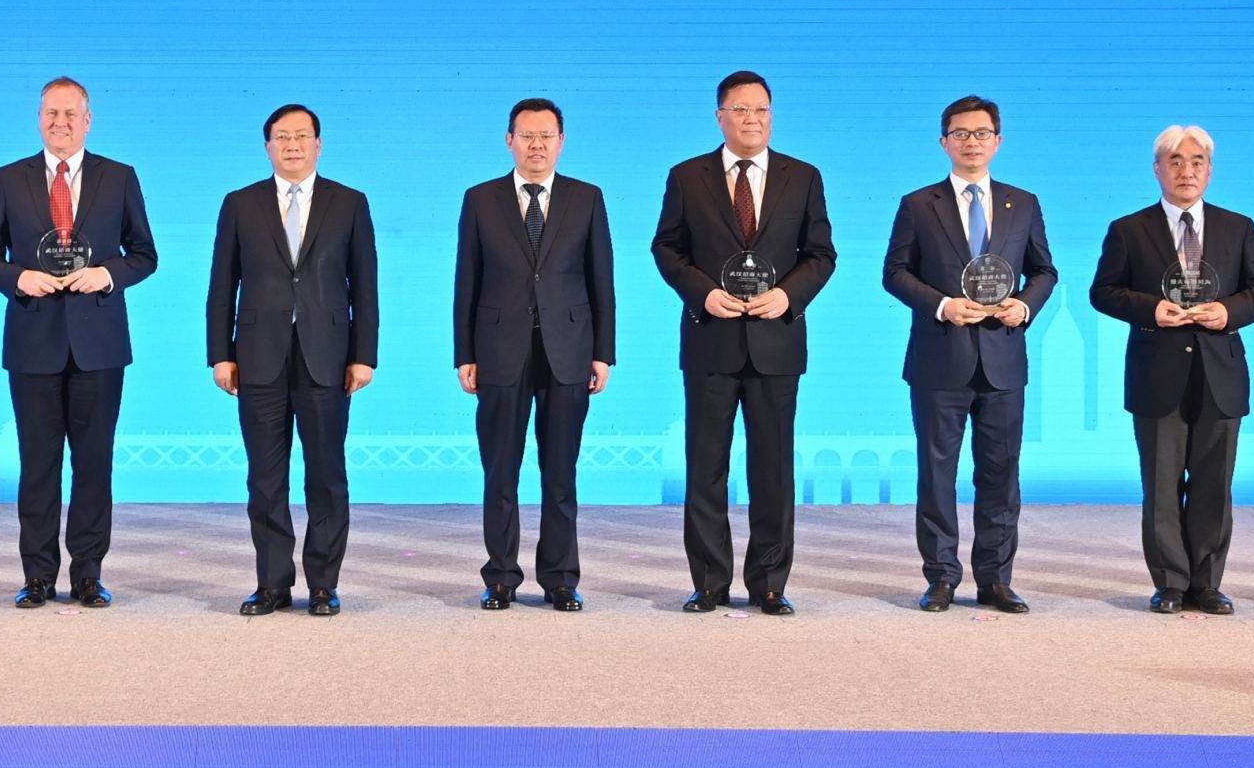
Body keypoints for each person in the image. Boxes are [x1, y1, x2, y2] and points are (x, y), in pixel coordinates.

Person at [650, 70, 836, 615]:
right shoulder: (688, 176)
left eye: (761, 109)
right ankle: (709, 582)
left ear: (771, 116)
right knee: (705, 466)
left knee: (772, 470)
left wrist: (788, 296)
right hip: (711, 340)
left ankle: (770, 584)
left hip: (776, 341)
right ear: (720, 116)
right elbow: (667, 249)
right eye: (740, 109)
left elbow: (821, 254)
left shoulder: (803, 176)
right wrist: (703, 294)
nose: (752, 118)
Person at [0, 77, 158, 610]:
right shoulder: (8, 178)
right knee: (38, 465)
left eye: (71, 113)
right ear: (39, 119)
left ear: (88, 120)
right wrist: (18, 278)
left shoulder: (119, 177)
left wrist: (107, 274)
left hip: (99, 344)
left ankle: (88, 575)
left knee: (94, 465)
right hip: (33, 340)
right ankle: (37, 576)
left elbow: (145, 254)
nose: (61, 122)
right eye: (52, 113)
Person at [1088, 125, 1254, 615]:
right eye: (1175, 161)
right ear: (1157, 169)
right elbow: (1103, 292)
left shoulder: (1238, 226)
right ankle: (1170, 582)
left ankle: (1207, 583)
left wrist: (1228, 312)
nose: (1186, 171)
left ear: (1209, 170)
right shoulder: (1129, 229)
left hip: (1221, 372)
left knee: (1215, 483)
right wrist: (1151, 309)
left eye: (1196, 162)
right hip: (1157, 371)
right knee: (1162, 483)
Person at [879, 95, 1056, 615]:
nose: (971, 142)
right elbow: (894, 273)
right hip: (939, 359)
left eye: (981, 134)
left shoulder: (1023, 203)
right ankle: (940, 577)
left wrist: (1024, 305)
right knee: (937, 475)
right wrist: (942, 305)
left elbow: (1045, 271)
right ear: (944, 142)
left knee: (1001, 473)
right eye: (961, 133)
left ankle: (996, 579)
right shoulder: (918, 204)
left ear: (998, 141)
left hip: (1003, 360)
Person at [208, 103, 379, 617]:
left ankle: (323, 585)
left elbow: (365, 286)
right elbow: (222, 285)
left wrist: (364, 355)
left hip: (328, 357)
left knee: (326, 476)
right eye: (282, 137)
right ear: (267, 147)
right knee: (265, 479)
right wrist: (220, 354)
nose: (292, 145)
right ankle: (272, 584)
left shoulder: (349, 203)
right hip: (257, 358)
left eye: (302, 136)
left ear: (318, 145)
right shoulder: (240, 204)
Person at [452, 97, 614, 612]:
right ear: (510, 141)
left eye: (546, 136)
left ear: (561, 142)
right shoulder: (481, 199)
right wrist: (464, 353)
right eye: (527, 136)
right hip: (500, 350)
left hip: (569, 350)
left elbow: (601, 280)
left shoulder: (587, 198)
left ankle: (561, 578)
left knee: (560, 472)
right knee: (500, 471)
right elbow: (466, 281)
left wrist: (603, 353)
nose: (537, 145)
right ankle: (501, 576)